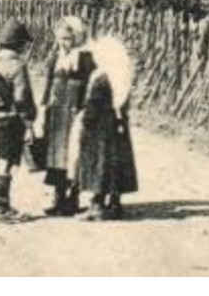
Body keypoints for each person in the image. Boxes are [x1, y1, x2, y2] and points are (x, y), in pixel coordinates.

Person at [74, 35, 138, 220]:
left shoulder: (101, 78)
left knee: (99, 165)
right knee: (115, 164)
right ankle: (115, 203)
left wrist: (85, 121)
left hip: (98, 130)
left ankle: (97, 205)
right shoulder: (119, 76)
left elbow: (93, 105)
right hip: (116, 127)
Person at [39, 15, 96, 216]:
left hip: (75, 112)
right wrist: (43, 106)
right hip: (57, 113)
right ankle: (58, 197)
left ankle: (73, 198)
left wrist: (86, 109)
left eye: (68, 39)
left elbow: (91, 86)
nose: (64, 43)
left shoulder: (86, 58)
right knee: (56, 156)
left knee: (74, 154)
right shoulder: (56, 57)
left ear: (78, 37)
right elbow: (48, 83)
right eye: (61, 38)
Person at [0, 20, 38, 223]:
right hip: (13, 118)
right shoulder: (17, 64)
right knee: (7, 161)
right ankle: (1, 208)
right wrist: (29, 121)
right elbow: (22, 96)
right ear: (19, 44)